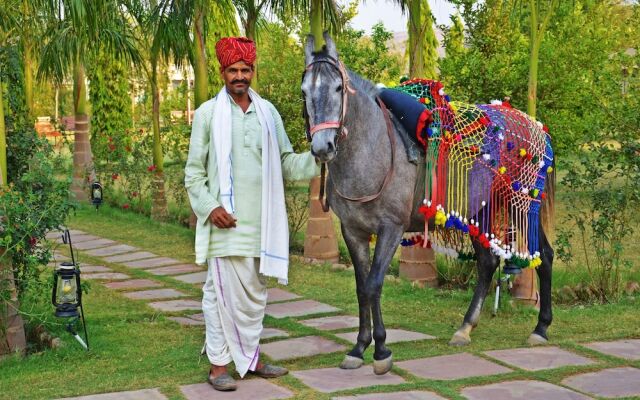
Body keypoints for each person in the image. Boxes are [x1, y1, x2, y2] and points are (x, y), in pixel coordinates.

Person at [184, 37, 318, 392]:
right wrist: (211, 207)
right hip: (224, 227)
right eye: (233, 70)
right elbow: (193, 174)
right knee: (220, 298)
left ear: (252, 71)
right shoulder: (208, 114)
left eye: (245, 69)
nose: (239, 76)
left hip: (262, 226)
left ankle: (251, 358)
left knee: (255, 297)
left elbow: (287, 163)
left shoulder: (267, 113)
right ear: (222, 72)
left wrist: (319, 157)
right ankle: (218, 367)